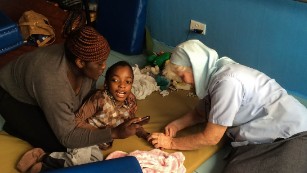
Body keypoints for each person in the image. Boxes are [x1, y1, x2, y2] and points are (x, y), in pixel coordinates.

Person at [148, 39, 307, 173]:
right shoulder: (214, 73)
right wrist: (176, 125)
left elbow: (211, 138)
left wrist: (170, 143)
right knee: (237, 165)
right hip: (274, 131)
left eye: (182, 76)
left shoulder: (227, 82)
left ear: (195, 67)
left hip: (294, 134)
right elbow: (200, 113)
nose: (183, 81)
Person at [0, 26, 140, 152]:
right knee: (62, 146)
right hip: (10, 95)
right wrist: (114, 133)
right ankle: (15, 124)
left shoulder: (84, 57)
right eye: (100, 63)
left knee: (79, 121)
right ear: (80, 63)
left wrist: (117, 95)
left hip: (42, 89)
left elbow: (87, 98)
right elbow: (67, 136)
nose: (104, 66)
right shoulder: (53, 83)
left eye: (104, 61)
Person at [16, 61, 149, 173]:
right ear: (106, 84)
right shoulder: (100, 99)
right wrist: (101, 133)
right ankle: (43, 157)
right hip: (83, 136)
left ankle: (47, 164)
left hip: (99, 145)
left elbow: (131, 120)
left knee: (94, 164)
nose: (122, 85)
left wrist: (145, 134)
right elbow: (76, 120)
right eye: (115, 80)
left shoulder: (130, 101)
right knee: (78, 161)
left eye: (128, 81)